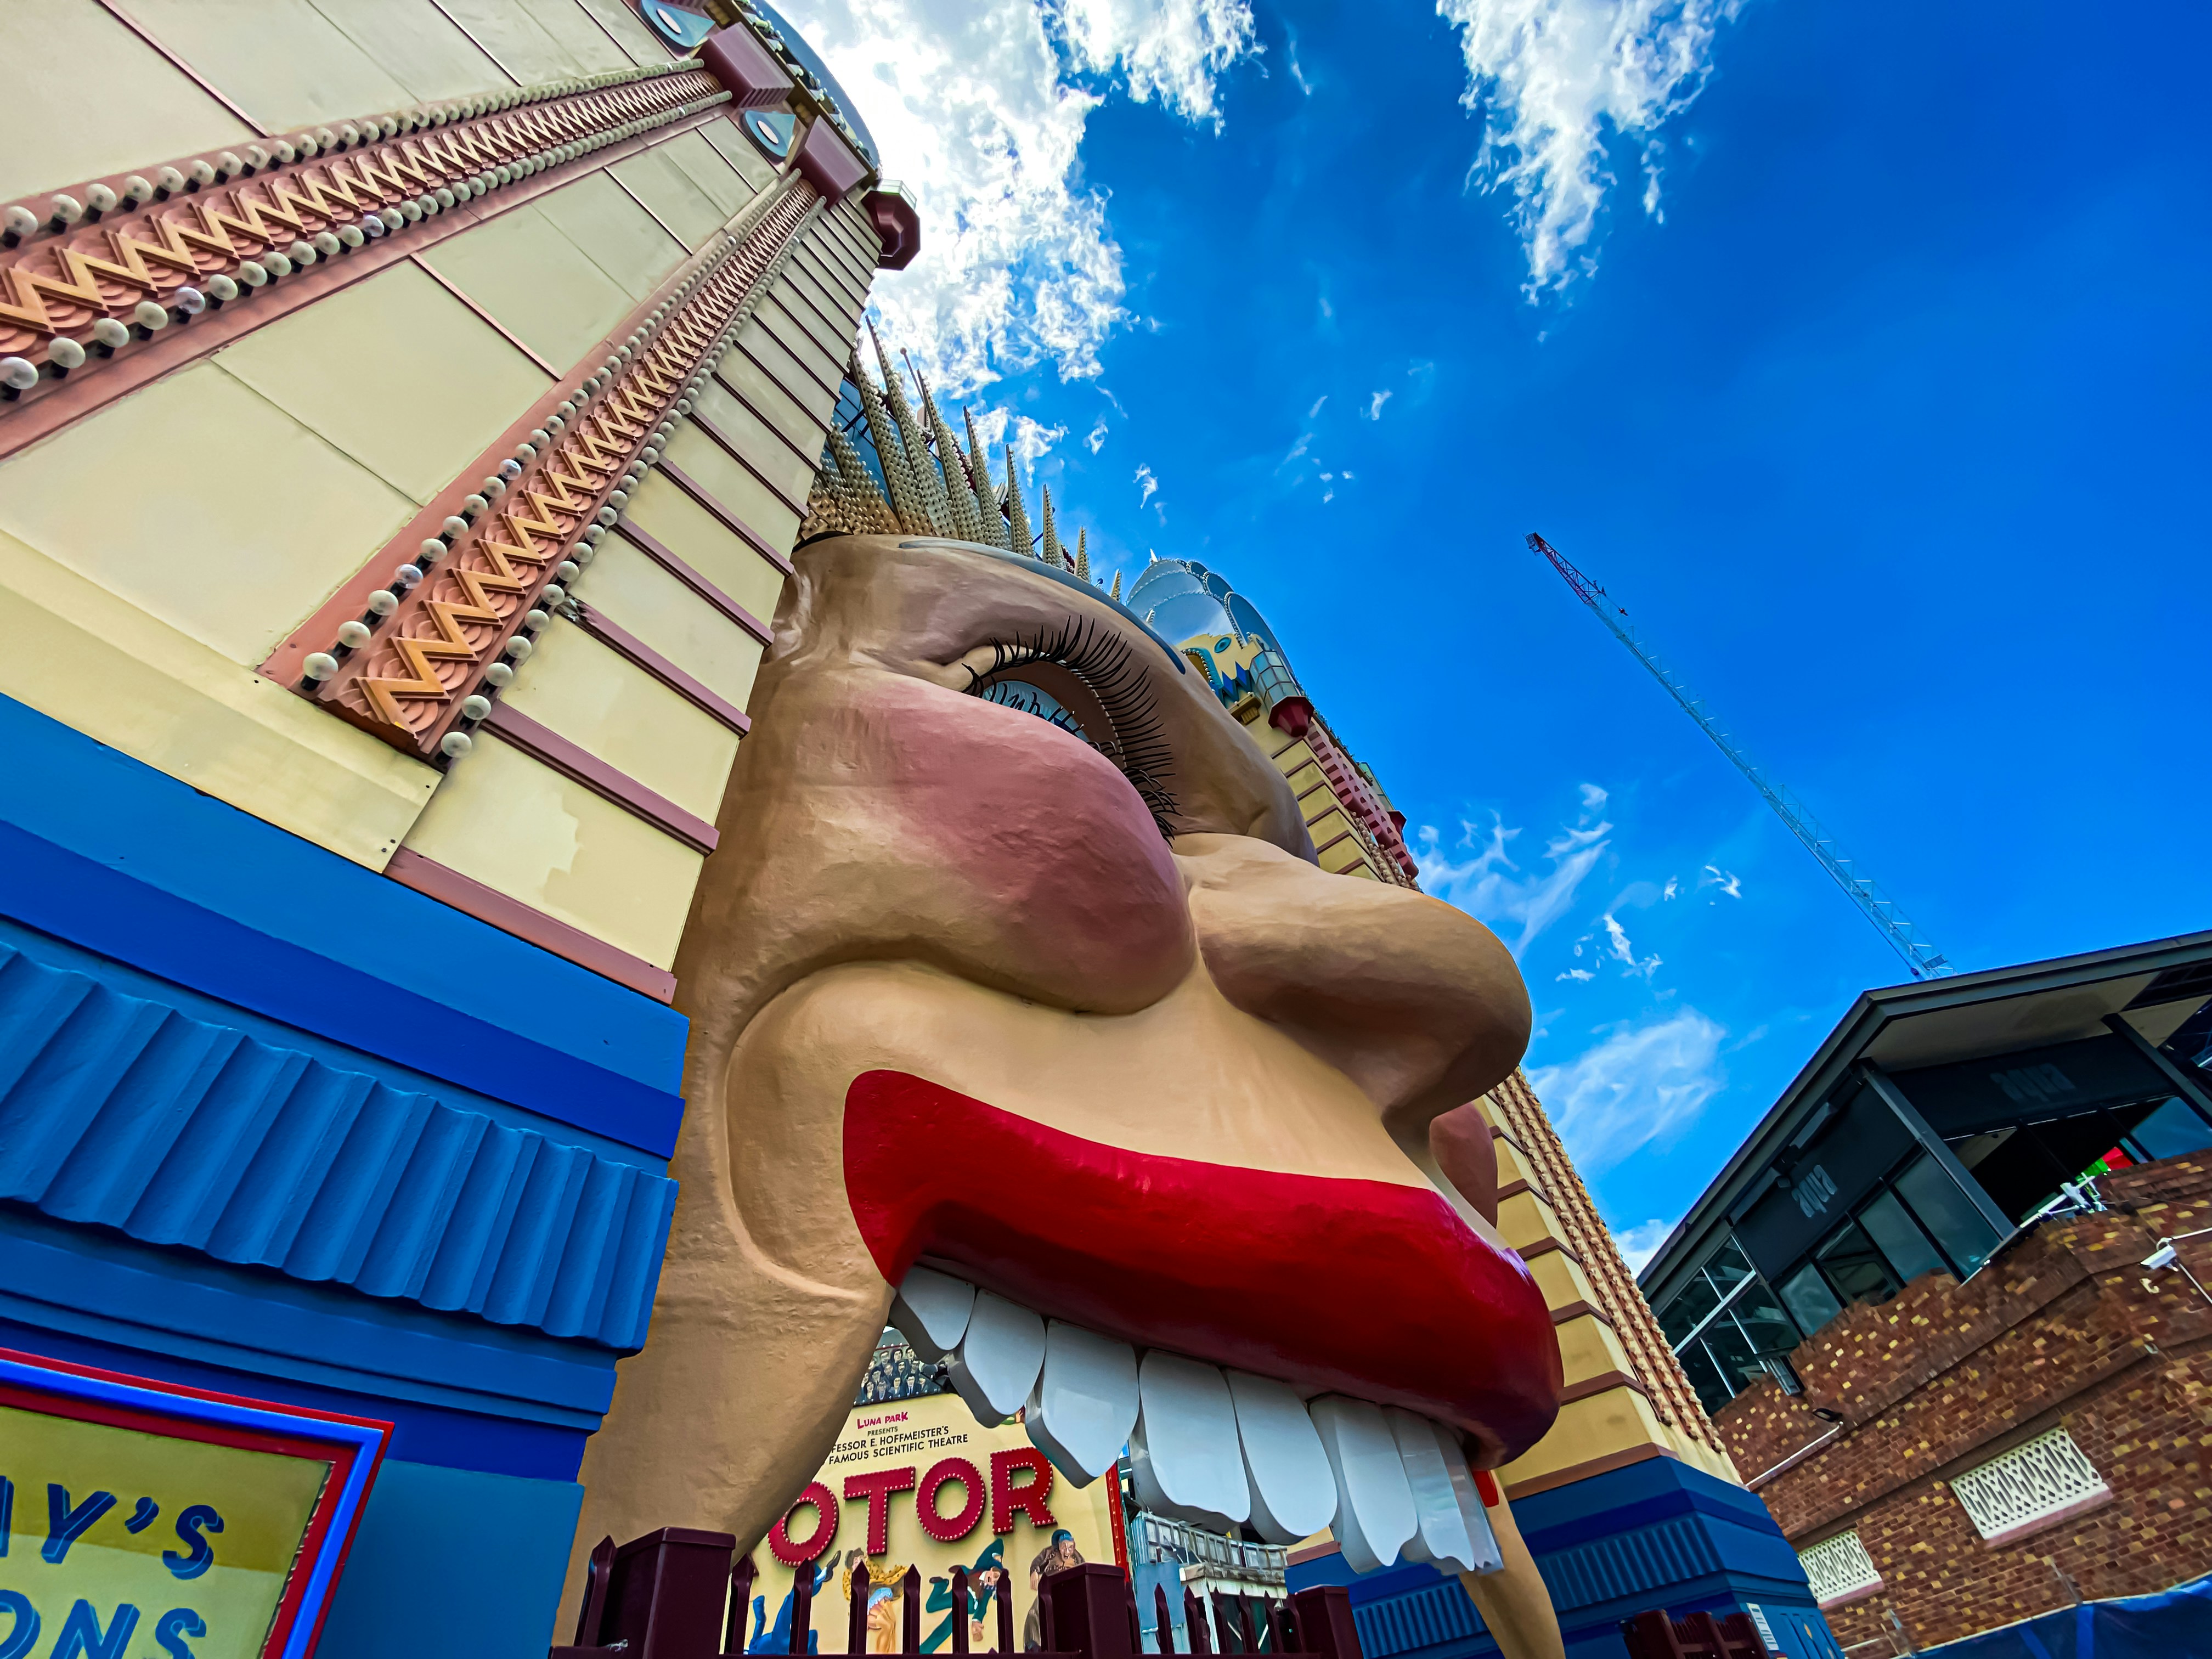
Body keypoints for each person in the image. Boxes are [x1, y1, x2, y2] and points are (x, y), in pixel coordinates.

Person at [1022, 1531, 1084, 1650]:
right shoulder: (1050, 1553)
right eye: (1064, 1547)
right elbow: (1037, 1562)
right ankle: (1033, 1644)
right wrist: (1034, 1572)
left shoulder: (1077, 1557)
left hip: (1070, 1593)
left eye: (1070, 1547)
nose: (1067, 1551)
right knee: (1033, 1613)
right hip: (1050, 1591)